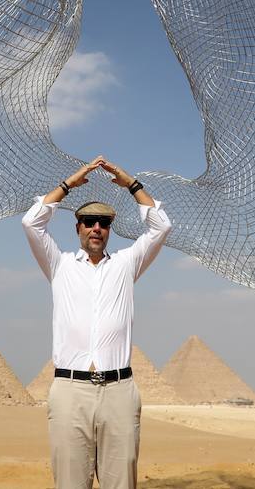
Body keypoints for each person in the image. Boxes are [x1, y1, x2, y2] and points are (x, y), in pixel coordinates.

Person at [21, 155, 173, 489]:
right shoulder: (58, 265)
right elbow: (31, 223)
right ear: (77, 227)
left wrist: (132, 184)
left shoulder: (126, 264)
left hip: (119, 392)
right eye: (89, 221)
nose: (96, 228)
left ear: (109, 230)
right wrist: (69, 185)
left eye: (103, 223)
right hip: (69, 392)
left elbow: (161, 226)